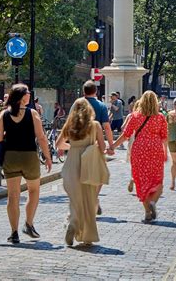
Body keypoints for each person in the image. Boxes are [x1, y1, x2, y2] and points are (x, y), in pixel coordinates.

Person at [0, 84, 51, 244]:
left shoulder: (4, 114)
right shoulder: (32, 113)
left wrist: (9, 132)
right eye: (27, 93)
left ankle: (14, 232)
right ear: (21, 96)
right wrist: (47, 156)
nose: (29, 95)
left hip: (10, 157)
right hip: (29, 157)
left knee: (13, 196)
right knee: (34, 191)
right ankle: (29, 223)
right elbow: (41, 137)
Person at [111, 91, 168, 223]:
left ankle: (147, 212)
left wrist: (113, 146)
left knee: (141, 180)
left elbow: (125, 135)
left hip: (139, 150)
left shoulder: (135, 116)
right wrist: (166, 152)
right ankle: (153, 202)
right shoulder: (160, 117)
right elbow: (164, 137)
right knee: (157, 179)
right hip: (155, 149)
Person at [56, 97, 106, 246]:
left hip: (70, 165)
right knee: (88, 200)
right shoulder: (95, 125)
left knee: (75, 199)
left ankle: (73, 223)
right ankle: (85, 234)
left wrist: (73, 148)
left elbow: (59, 144)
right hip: (88, 165)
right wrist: (92, 146)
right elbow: (102, 147)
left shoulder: (69, 125)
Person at [79, 80, 114, 214]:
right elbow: (106, 127)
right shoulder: (101, 106)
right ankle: (93, 198)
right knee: (99, 173)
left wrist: (62, 145)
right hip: (95, 144)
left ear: (83, 91)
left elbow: (70, 124)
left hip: (79, 143)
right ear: (96, 92)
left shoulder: (77, 105)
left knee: (81, 173)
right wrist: (111, 145)